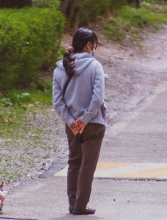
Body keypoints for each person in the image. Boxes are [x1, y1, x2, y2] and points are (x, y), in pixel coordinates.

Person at [53, 27, 107, 215]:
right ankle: (80, 206)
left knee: (74, 162)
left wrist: (72, 121)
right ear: (88, 45)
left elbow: (57, 101)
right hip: (93, 123)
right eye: (94, 44)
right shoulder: (95, 66)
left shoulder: (60, 68)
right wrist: (85, 119)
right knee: (87, 165)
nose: (94, 48)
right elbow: (97, 98)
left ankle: (72, 202)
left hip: (72, 126)